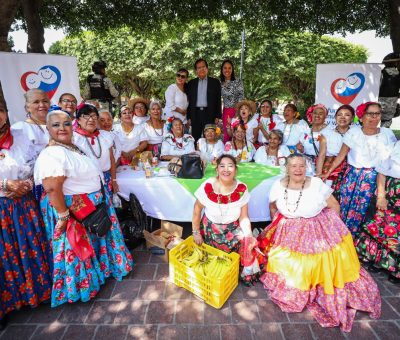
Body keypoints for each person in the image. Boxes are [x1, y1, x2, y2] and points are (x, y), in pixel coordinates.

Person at [259, 154, 381, 332]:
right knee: (286, 262)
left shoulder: (315, 184)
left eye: (301, 165)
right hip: (290, 230)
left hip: (316, 226)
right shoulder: (278, 185)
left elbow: (334, 205)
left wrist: (334, 229)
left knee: (319, 262)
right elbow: (272, 206)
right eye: (293, 166)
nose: (298, 169)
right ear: (287, 169)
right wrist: (278, 225)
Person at [34, 110, 133, 307]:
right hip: (75, 210)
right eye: (56, 124)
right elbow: (53, 188)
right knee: (78, 248)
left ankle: (101, 274)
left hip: (91, 206)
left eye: (66, 123)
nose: (62, 128)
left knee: (93, 242)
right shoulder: (52, 153)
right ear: (48, 128)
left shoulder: (71, 147)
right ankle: (81, 288)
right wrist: (63, 217)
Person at [0, 100, 52, 330]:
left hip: (24, 206)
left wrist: (27, 184)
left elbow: (35, 165)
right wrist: (5, 184)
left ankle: (36, 294)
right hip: (2, 207)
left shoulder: (19, 137)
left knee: (30, 248)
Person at [324, 102, 397, 236]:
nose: (374, 117)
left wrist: (381, 194)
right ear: (362, 117)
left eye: (377, 114)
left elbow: (389, 161)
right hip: (352, 177)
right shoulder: (354, 132)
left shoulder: (386, 134)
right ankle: (340, 237)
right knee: (345, 207)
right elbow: (341, 155)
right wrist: (328, 172)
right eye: (370, 114)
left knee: (364, 211)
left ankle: (356, 241)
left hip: (374, 179)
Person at [192, 154, 260, 285]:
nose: (226, 169)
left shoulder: (242, 188)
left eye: (230, 166)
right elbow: (196, 210)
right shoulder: (208, 185)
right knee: (211, 263)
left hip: (232, 230)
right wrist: (195, 232)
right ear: (217, 169)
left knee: (247, 247)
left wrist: (248, 236)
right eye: (222, 166)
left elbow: (244, 217)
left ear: (235, 169)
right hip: (210, 230)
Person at [355, 140, 400, 283]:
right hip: (389, 193)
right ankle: (377, 260)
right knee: (380, 226)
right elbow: (382, 171)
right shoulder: (395, 145)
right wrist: (381, 196)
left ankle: (395, 268)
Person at [11, 88, 50, 201]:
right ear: (27, 107)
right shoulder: (20, 128)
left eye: (45, 101)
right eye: (36, 102)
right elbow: (19, 165)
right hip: (35, 188)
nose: (42, 105)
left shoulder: (56, 125)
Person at [73, 104, 119, 197]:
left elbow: (112, 160)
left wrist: (113, 180)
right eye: (86, 116)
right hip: (86, 183)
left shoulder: (105, 136)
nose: (91, 120)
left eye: (94, 116)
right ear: (78, 120)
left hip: (106, 179)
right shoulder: (74, 139)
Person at [318, 105, 355, 198]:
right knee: (327, 195)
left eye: (347, 115)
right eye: (339, 115)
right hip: (330, 167)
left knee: (345, 195)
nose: (342, 117)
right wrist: (319, 174)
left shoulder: (357, 133)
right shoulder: (327, 133)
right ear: (335, 117)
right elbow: (321, 155)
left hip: (350, 168)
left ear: (352, 118)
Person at [187, 58, 222, 141]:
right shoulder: (191, 83)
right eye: (199, 68)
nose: (201, 69)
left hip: (210, 114)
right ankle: (196, 153)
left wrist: (217, 115)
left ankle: (210, 154)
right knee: (195, 138)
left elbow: (218, 99)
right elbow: (189, 101)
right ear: (196, 70)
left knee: (210, 138)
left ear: (207, 68)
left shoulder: (215, 82)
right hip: (195, 114)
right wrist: (188, 116)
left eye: (203, 67)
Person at [297, 104, 329, 176]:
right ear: (311, 115)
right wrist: (301, 149)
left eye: (321, 114)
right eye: (315, 113)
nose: (317, 115)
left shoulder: (329, 132)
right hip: (307, 165)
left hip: (323, 166)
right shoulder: (306, 132)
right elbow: (302, 149)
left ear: (325, 116)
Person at [220, 60, 244, 143]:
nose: (227, 70)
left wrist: (237, 113)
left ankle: (238, 153)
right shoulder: (220, 82)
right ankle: (227, 153)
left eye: (229, 68)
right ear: (222, 69)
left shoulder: (238, 81)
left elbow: (241, 97)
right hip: (226, 111)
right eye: (225, 68)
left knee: (237, 132)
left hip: (237, 111)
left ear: (232, 69)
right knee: (227, 133)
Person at [378, 52, 400, 128]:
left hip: (379, 100)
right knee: (386, 121)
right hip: (392, 102)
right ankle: (384, 135)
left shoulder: (380, 73)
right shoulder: (398, 74)